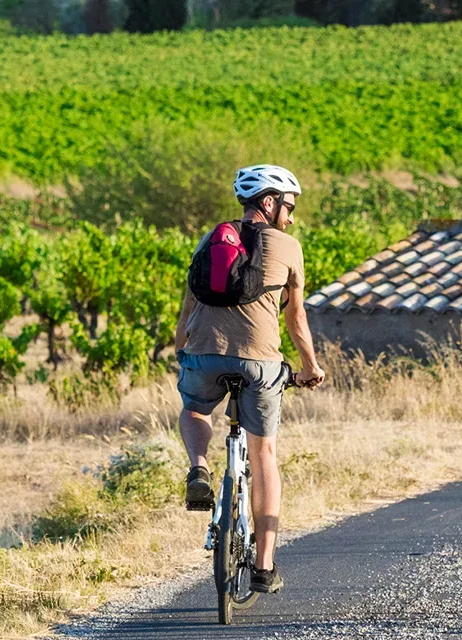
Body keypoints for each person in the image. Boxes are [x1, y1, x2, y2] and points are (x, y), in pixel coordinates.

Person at [174, 164, 327, 595]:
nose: (292, 217)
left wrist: (182, 345)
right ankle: (264, 566)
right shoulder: (289, 247)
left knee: (194, 409)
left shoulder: (210, 239)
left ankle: (199, 468)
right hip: (260, 363)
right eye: (289, 207)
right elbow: (295, 318)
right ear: (269, 203)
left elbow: (188, 305)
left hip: (203, 353)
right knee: (264, 453)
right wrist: (310, 367)